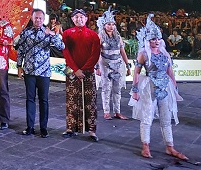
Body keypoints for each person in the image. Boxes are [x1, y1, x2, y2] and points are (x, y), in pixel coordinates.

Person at [130, 14, 188, 160]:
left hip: (165, 86)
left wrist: (174, 87)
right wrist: (135, 90)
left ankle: (170, 146)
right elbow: (136, 72)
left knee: (166, 117)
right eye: (152, 39)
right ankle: (146, 146)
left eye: (157, 39)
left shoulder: (165, 53)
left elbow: (170, 71)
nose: (155, 41)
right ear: (148, 40)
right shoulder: (143, 54)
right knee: (147, 116)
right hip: (150, 86)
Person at [15, 8, 65, 137]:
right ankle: (30, 126)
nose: (38, 20)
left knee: (44, 100)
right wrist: (19, 66)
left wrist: (52, 34)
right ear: (32, 18)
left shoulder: (49, 32)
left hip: (44, 72)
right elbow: (20, 50)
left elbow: (61, 46)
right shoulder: (26, 33)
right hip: (30, 71)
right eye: (36, 18)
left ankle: (44, 128)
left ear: (44, 20)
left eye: (40, 18)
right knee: (30, 99)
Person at [62, 8, 101, 141]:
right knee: (72, 100)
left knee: (90, 101)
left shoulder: (93, 35)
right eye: (76, 17)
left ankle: (91, 130)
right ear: (72, 19)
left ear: (86, 19)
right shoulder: (67, 34)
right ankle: (70, 127)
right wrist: (75, 69)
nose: (79, 19)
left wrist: (84, 70)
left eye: (81, 17)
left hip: (87, 73)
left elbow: (95, 54)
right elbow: (66, 52)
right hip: (72, 72)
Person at [96, 8, 131, 120]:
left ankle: (117, 111)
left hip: (118, 65)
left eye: (113, 24)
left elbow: (122, 51)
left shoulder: (118, 36)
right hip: (105, 65)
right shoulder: (100, 36)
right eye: (108, 24)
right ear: (104, 25)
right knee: (106, 88)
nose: (111, 26)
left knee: (117, 89)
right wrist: (97, 67)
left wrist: (127, 65)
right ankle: (106, 111)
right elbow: (97, 52)